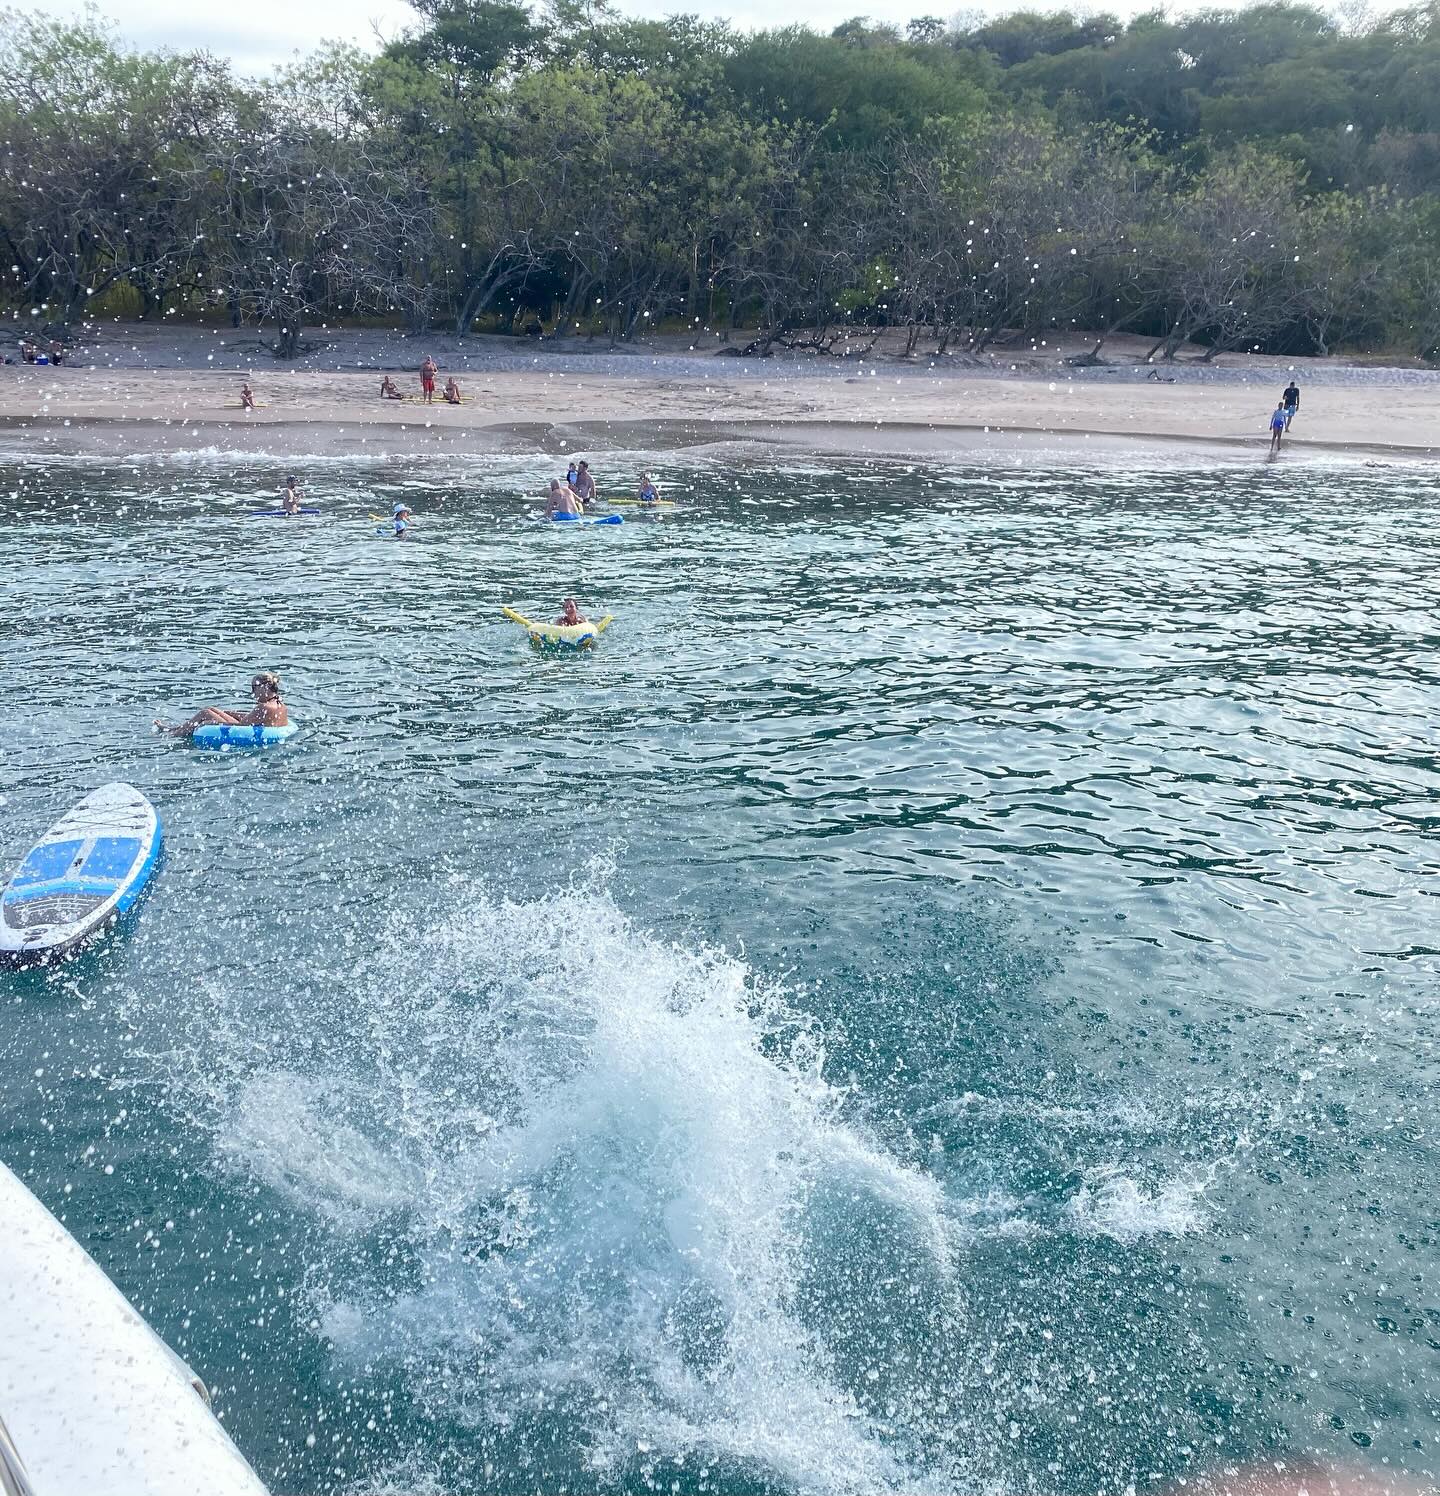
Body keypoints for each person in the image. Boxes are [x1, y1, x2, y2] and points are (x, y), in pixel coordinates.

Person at [157, 672, 288, 737]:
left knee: (206, 713)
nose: (252, 692)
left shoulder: (263, 707)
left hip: (245, 732)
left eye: (254, 687)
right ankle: (175, 728)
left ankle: (174, 734)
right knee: (212, 710)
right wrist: (227, 714)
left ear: (265, 687)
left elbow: (241, 727)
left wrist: (210, 722)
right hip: (264, 730)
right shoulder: (279, 704)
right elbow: (255, 719)